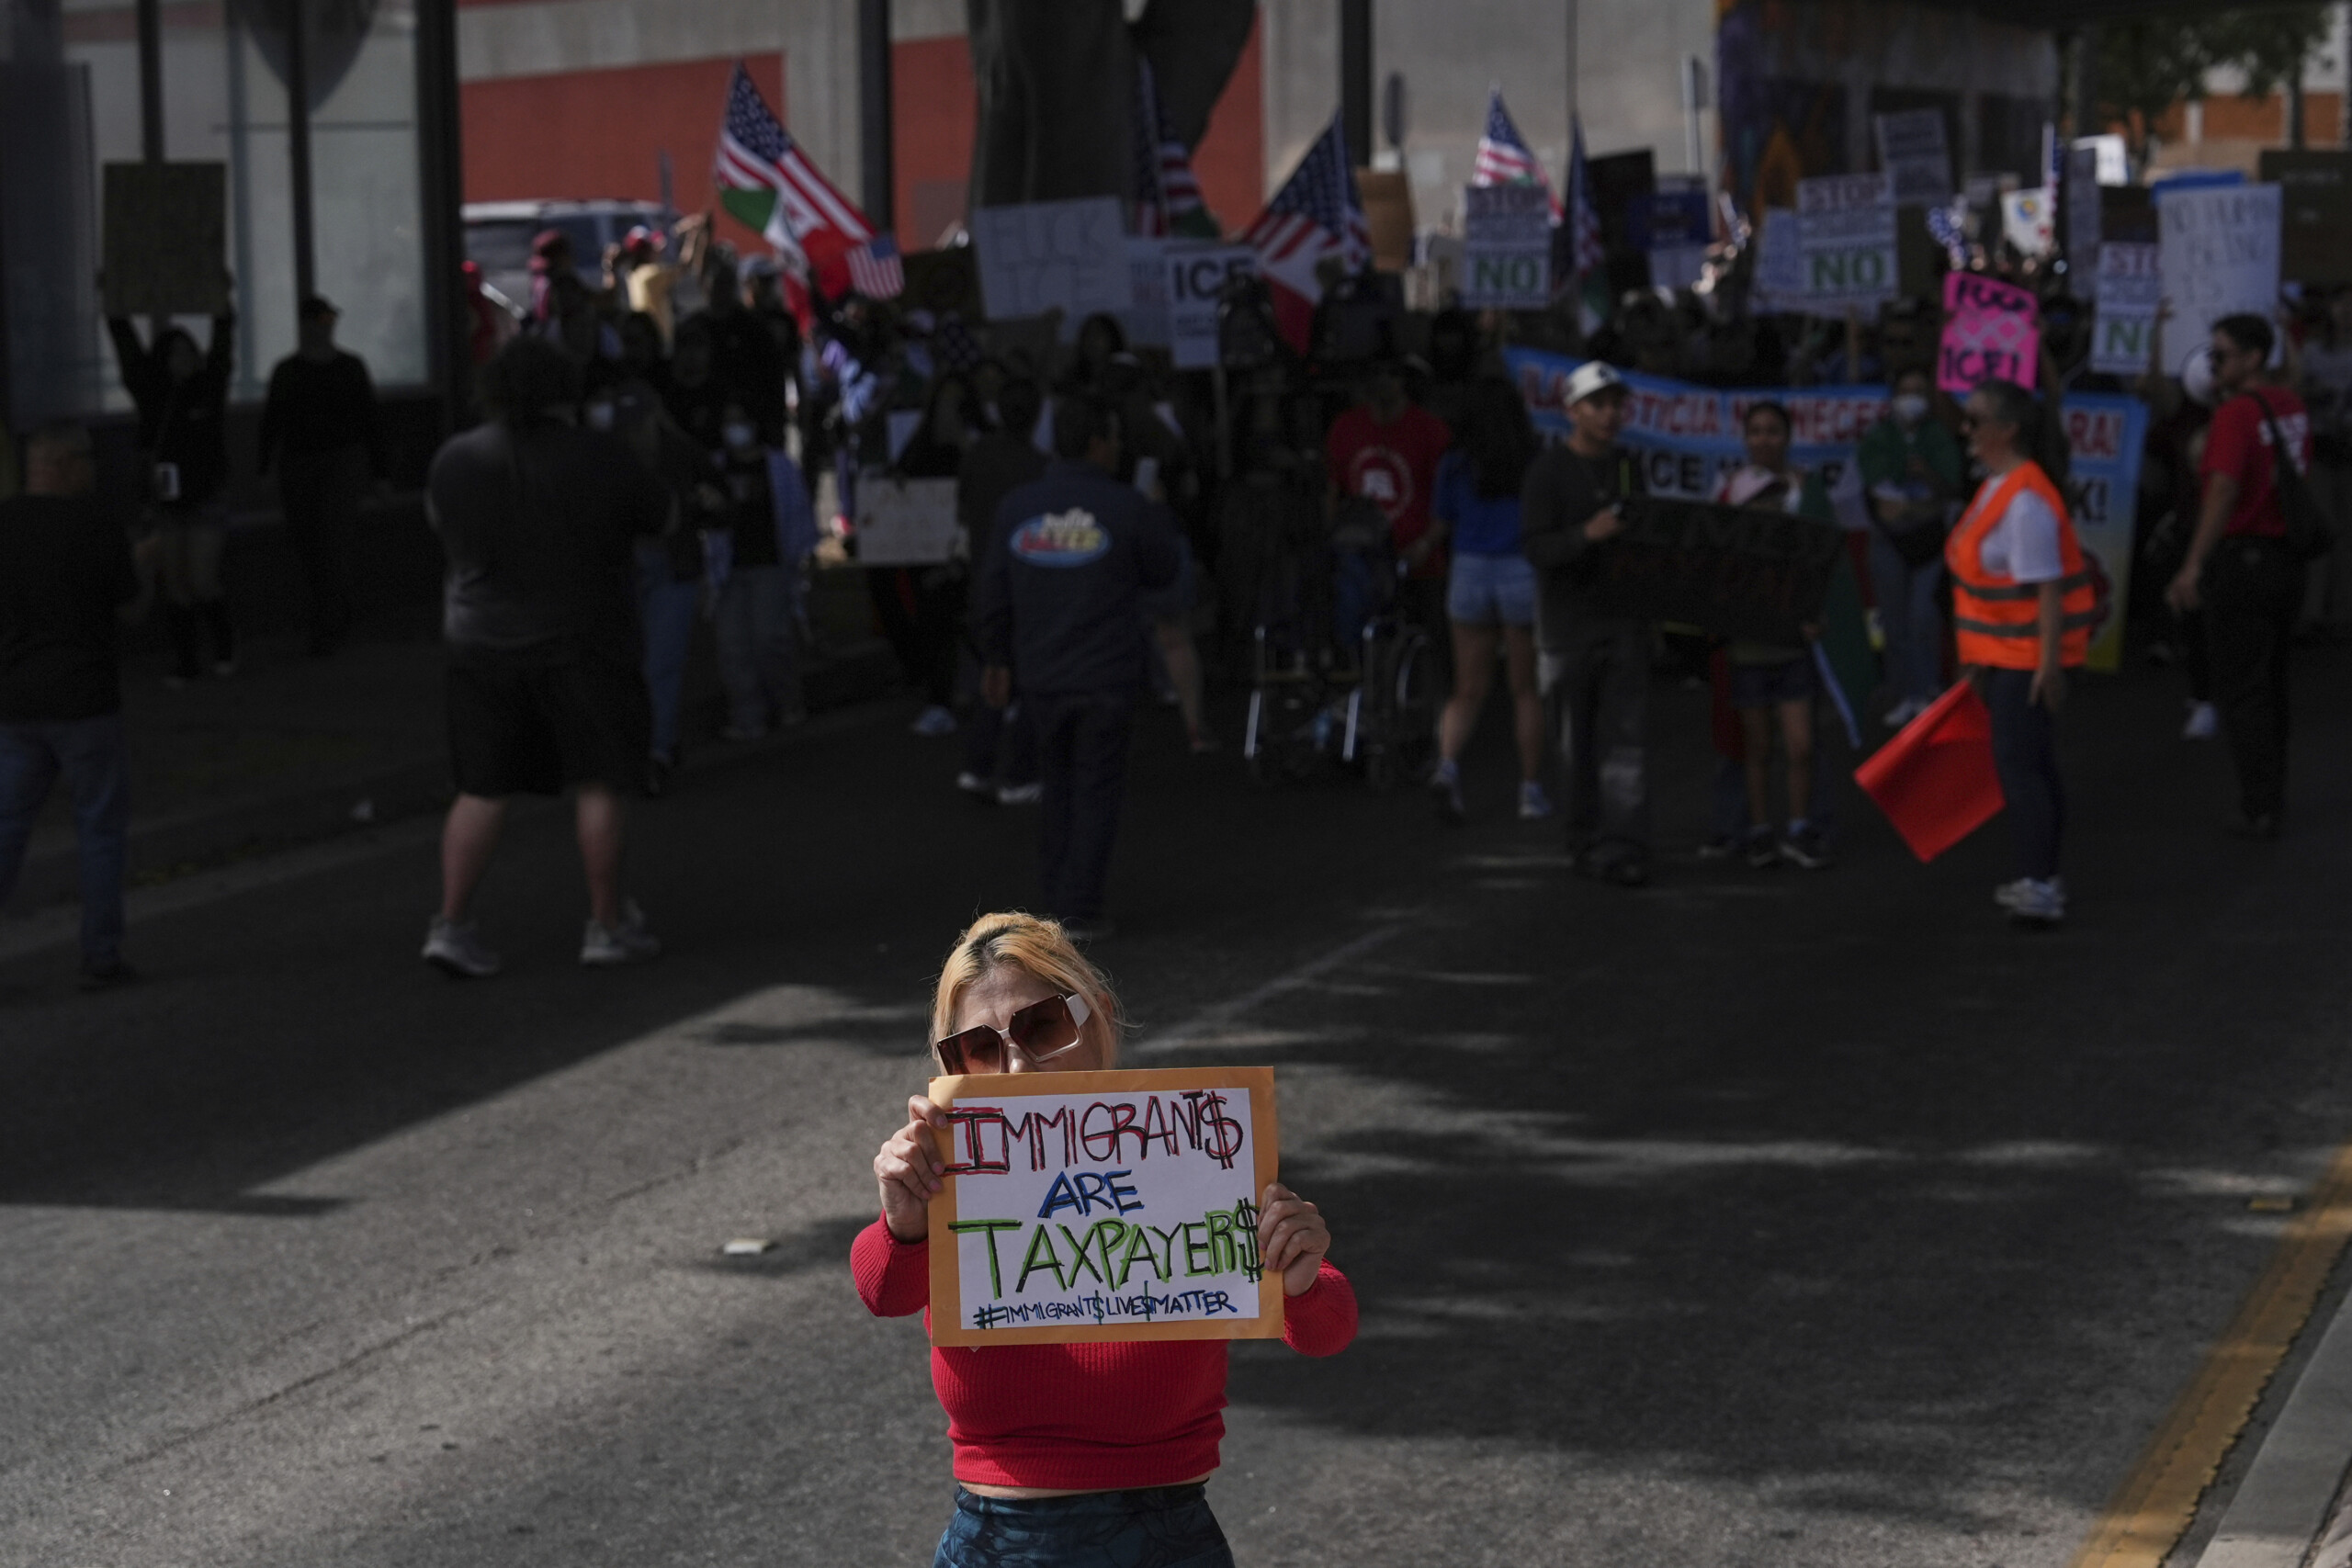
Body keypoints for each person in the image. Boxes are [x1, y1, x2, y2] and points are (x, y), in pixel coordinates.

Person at [858, 913, 1355, 1568]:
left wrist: (1298, 1269)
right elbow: (883, 1290)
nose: (1015, 1064)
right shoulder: (952, 1176)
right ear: (951, 1063)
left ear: (1097, 1015)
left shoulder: (1189, 1151)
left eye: (1041, 1026)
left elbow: (1326, 1327)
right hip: (997, 1540)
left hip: (1166, 1536)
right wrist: (902, 1217)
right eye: (979, 1049)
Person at [419, 334, 673, 977]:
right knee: (599, 780)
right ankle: (606, 924)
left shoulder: (456, 459)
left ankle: (451, 923)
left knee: (481, 787)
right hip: (584, 640)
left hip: (480, 644)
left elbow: (437, 524)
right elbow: (663, 517)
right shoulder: (601, 456)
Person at [971, 394, 1181, 942]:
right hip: (1104, 673)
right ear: (1097, 443)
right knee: (1093, 786)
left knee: (1057, 785)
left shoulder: (1018, 507)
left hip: (1041, 674)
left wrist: (996, 656)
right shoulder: (1126, 506)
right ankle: (1078, 905)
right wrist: (1156, 508)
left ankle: (1059, 901)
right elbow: (1166, 570)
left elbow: (991, 592)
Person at [0, 424, 142, 990]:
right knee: (100, 827)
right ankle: (101, 952)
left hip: (15, 700)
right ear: (59, 462)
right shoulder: (97, 526)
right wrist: (146, 564)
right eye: (85, 458)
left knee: (7, 827)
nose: (94, 468)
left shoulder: (2, 524)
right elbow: (130, 610)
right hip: (85, 701)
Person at [1951, 378, 2096, 928]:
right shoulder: (2003, 487)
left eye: (1973, 420)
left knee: (2021, 769)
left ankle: (2039, 882)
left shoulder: (2024, 500)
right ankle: (2042, 876)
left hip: (2024, 661)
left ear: (2006, 429)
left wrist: (2047, 668)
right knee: (2031, 766)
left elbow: (2048, 591)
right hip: (2009, 657)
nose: (1964, 430)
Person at [2165, 314, 2312, 839]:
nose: (2213, 364)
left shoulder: (2233, 416)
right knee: (2272, 682)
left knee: (2243, 689)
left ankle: (2259, 803)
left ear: (2252, 358)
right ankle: (2272, 790)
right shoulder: (2289, 405)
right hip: (2285, 560)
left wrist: (2193, 564)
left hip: (2243, 562)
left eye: (2222, 354)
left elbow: (2223, 492)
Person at [1519, 363, 1652, 886]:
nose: (1610, 414)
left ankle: (1626, 843)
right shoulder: (1548, 472)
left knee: (1626, 740)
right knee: (1574, 744)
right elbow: (1535, 547)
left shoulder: (1626, 466)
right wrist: (1585, 536)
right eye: (1598, 404)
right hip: (1567, 630)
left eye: (1617, 404)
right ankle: (1584, 838)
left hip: (1622, 623)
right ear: (1573, 411)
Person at [1714, 402, 1835, 870]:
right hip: (1747, 644)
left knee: (1801, 745)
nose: (1764, 439)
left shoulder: (1809, 491)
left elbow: (1826, 562)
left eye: (1773, 431)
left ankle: (1801, 828)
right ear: (1746, 439)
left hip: (1794, 643)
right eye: (1756, 431)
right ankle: (1761, 830)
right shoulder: (1728, 493)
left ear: (1788, 436)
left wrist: (1818, 616)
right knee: (1757, 747)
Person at [1427, 377, 1549, 823]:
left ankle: (1447, 767)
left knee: (1467, 689)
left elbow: (1442, 521)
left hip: (1469, 570)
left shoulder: (1456, 464)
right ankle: (1530, 789)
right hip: (1518, 568)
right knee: (1524, 690)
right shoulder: (1532, 460)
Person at [107, 305, 234, 683]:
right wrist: (116, 310)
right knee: (176, 584)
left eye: (190, 351)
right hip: (165, 501)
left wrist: (222, 312)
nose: (186, 359)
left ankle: (225, 644)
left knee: (201, 578)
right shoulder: (152, 395)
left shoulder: (209, 389)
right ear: (163, 360)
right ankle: (187, 662)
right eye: (176, 353)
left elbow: (224, 352)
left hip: (206, 496)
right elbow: (128, 353)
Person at [257, 295, 379, 658]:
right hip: (311, 464)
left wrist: (265, 468)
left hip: (325, 463)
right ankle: (331, 617)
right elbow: (272, 423)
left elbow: (369, 421)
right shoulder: (340, 368)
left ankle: (328, 620)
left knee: (327, 543)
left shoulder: (299, 370)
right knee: (317, 544)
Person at [955, 375, 1049, 806]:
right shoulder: (1038, 467)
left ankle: (979, 767)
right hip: (1022, 586)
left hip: (983, 579)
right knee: (1026, 681)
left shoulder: (978, 456)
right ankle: (1019, 774)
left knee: (994, 675)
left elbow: (962, 510)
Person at [1858, 366, 1964, 726]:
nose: (1912, 399)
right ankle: (1903, 693)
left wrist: (1926, 476)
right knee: (1895, 622)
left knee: (1923, 617)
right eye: (1906, 390)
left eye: (1919, 390)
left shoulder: (1940, 437)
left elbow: (1949, 489)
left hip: (1929, 543)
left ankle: (1927, 689)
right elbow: (1881, 496)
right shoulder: (1878, 436)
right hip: (1888, 541)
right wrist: (1914, 505)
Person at [1325, 358, 1453, 645]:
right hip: (1360, 560)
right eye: (1376, 373)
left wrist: (1425, 544)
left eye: (1392, 373)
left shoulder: (1431, 430)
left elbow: (1447, 502)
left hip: (1420, 563)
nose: (1384, 382)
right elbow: (1333, 492)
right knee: (1355, 637)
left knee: (1428, 643)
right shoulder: (1346, 427)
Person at [889, 372, 987, 739]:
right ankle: (941, 700)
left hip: (967, 552)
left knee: (977, 625)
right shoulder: (919, 448)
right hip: (929, 556)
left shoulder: (977, 445)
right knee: (937, 626)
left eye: (955, 405)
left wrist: (965, 445)